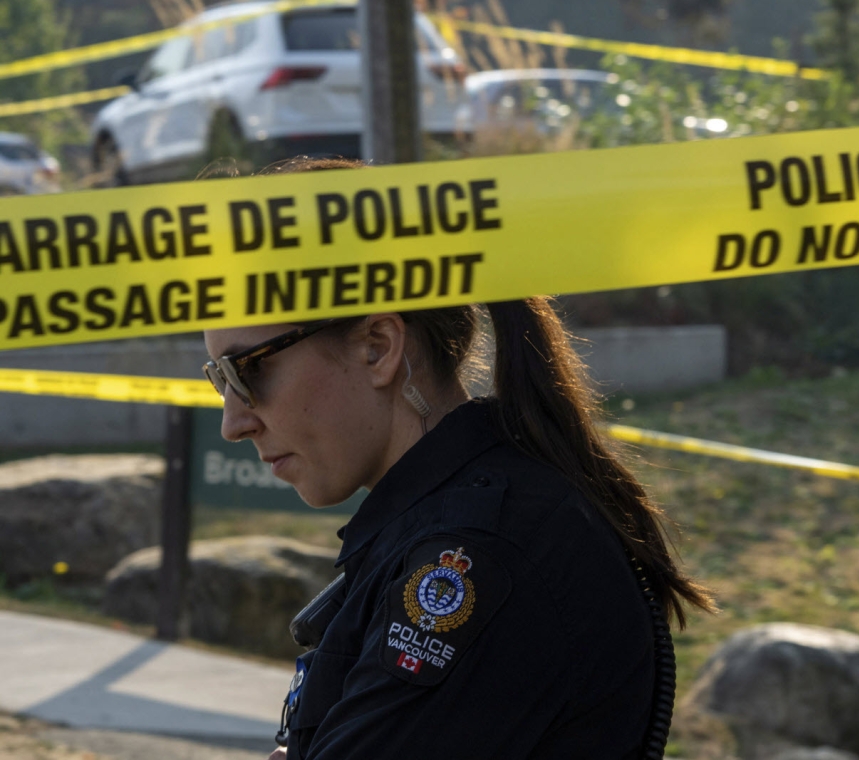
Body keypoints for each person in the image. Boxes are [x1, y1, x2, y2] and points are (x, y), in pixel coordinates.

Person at [201, 158, 714, 759]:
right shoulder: (465, 526)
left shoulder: (480, 555)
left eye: (250, 369)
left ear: (378, 348)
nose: (233, 421)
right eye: (219, 379)